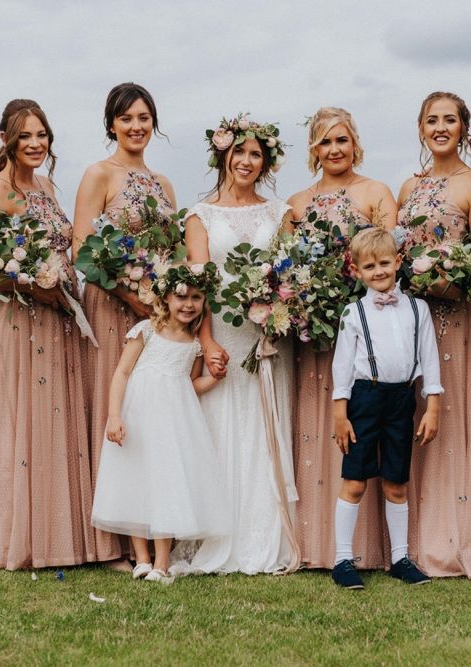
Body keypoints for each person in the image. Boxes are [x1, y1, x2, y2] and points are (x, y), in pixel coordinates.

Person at [0, 99, 95, 570]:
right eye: (25, 136)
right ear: (5, 139)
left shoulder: (48, 186)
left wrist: (60, 285)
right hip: (14, 320)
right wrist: (31, 282)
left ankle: (54, 535)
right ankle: (16, 538)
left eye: (41, 135)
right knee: (19, 422)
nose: (35, 144)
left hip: (55, 319)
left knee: (51, 422)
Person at [180, 113, 297, 574]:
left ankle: (267, 537)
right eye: (239, 152)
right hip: (225, 334)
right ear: (222, 155)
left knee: (263, 431)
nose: (247, 161)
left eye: (256, 154)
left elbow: (290, 276)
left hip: (267, 336)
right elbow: (199, 283)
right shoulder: (199, 215)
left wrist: (279, 311)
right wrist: (207, 342)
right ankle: (217, 534)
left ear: (265, 162)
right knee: (221, 429)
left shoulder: (280, 213)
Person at [286, 107, 398, 570]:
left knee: (368, 431)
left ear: (355, 144)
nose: (334, 149)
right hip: (316, 335)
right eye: (324, 142)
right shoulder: (295, 204)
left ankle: (372, 547)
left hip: (367, 331)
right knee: (321, 427)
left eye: (342, 140)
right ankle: (319, 546)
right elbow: (288, 271)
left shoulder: (376, 193)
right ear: (313, 149)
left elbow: (390, 259)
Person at [73, 83, 177, 567]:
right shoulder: (99, 174)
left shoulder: (163, 183)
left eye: (144, 118)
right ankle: (110, 541)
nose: (137, 127)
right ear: (111, 123)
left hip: (155, 315)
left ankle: (153, 529)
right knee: (113, 409)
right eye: (127, 118)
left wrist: (160, 302)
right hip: (113, 307)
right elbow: (80, 249)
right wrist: (129, 297)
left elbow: (172, 255)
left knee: (149, 419)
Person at [396, 92, 471, 579]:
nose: (441, 127)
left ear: (463, 129)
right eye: (431, 120)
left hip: (452, 322)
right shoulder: (407, 188)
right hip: (408, 320)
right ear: (420, 128)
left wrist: (441, 280)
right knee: (410, 420)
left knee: (450, 422)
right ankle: (405, 539)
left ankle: (450, 539)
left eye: (450, 120)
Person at [91, 263, 231, 583]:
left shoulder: (195, 344)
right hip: (138, 417)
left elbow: (190, 385)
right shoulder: (145, 331)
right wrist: (115, 415)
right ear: (166, 299)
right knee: (137, 481)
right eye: (181, 296)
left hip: (173, 423)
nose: (188, 304)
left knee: (166, 482)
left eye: (197, 298)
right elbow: (122, 373)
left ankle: (162, 562)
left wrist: (215, 380)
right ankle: (141, 558)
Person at [330, 228, 443, 589]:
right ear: (357, 270)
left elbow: (429, 357)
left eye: (383, 263)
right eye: (369, 266)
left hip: (402, 400)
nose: (378, 271)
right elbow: (342, 366)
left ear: (397, 262)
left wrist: (433, 405)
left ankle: (400, 558)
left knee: (397, 482)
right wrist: (340, 412)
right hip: (364, 399)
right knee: (355, 481)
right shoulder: (354, 312)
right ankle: (342, 560)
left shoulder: (417, 308)